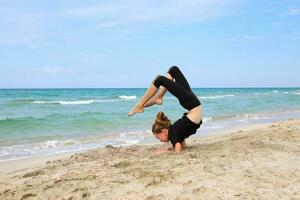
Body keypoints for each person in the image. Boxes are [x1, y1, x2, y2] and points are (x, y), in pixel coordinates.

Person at [128, 66, 203, 152]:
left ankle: (140, 105)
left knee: (165, 76)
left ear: (164, 131)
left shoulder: (173, 133)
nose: (160, 141)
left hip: (193, 108)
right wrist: (174, 148)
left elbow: (179, 146)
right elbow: (180, 144)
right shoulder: (174, 132)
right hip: (192, 106)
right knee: (170, 73)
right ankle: (158, 97)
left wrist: (173, 151)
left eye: (158, 137)